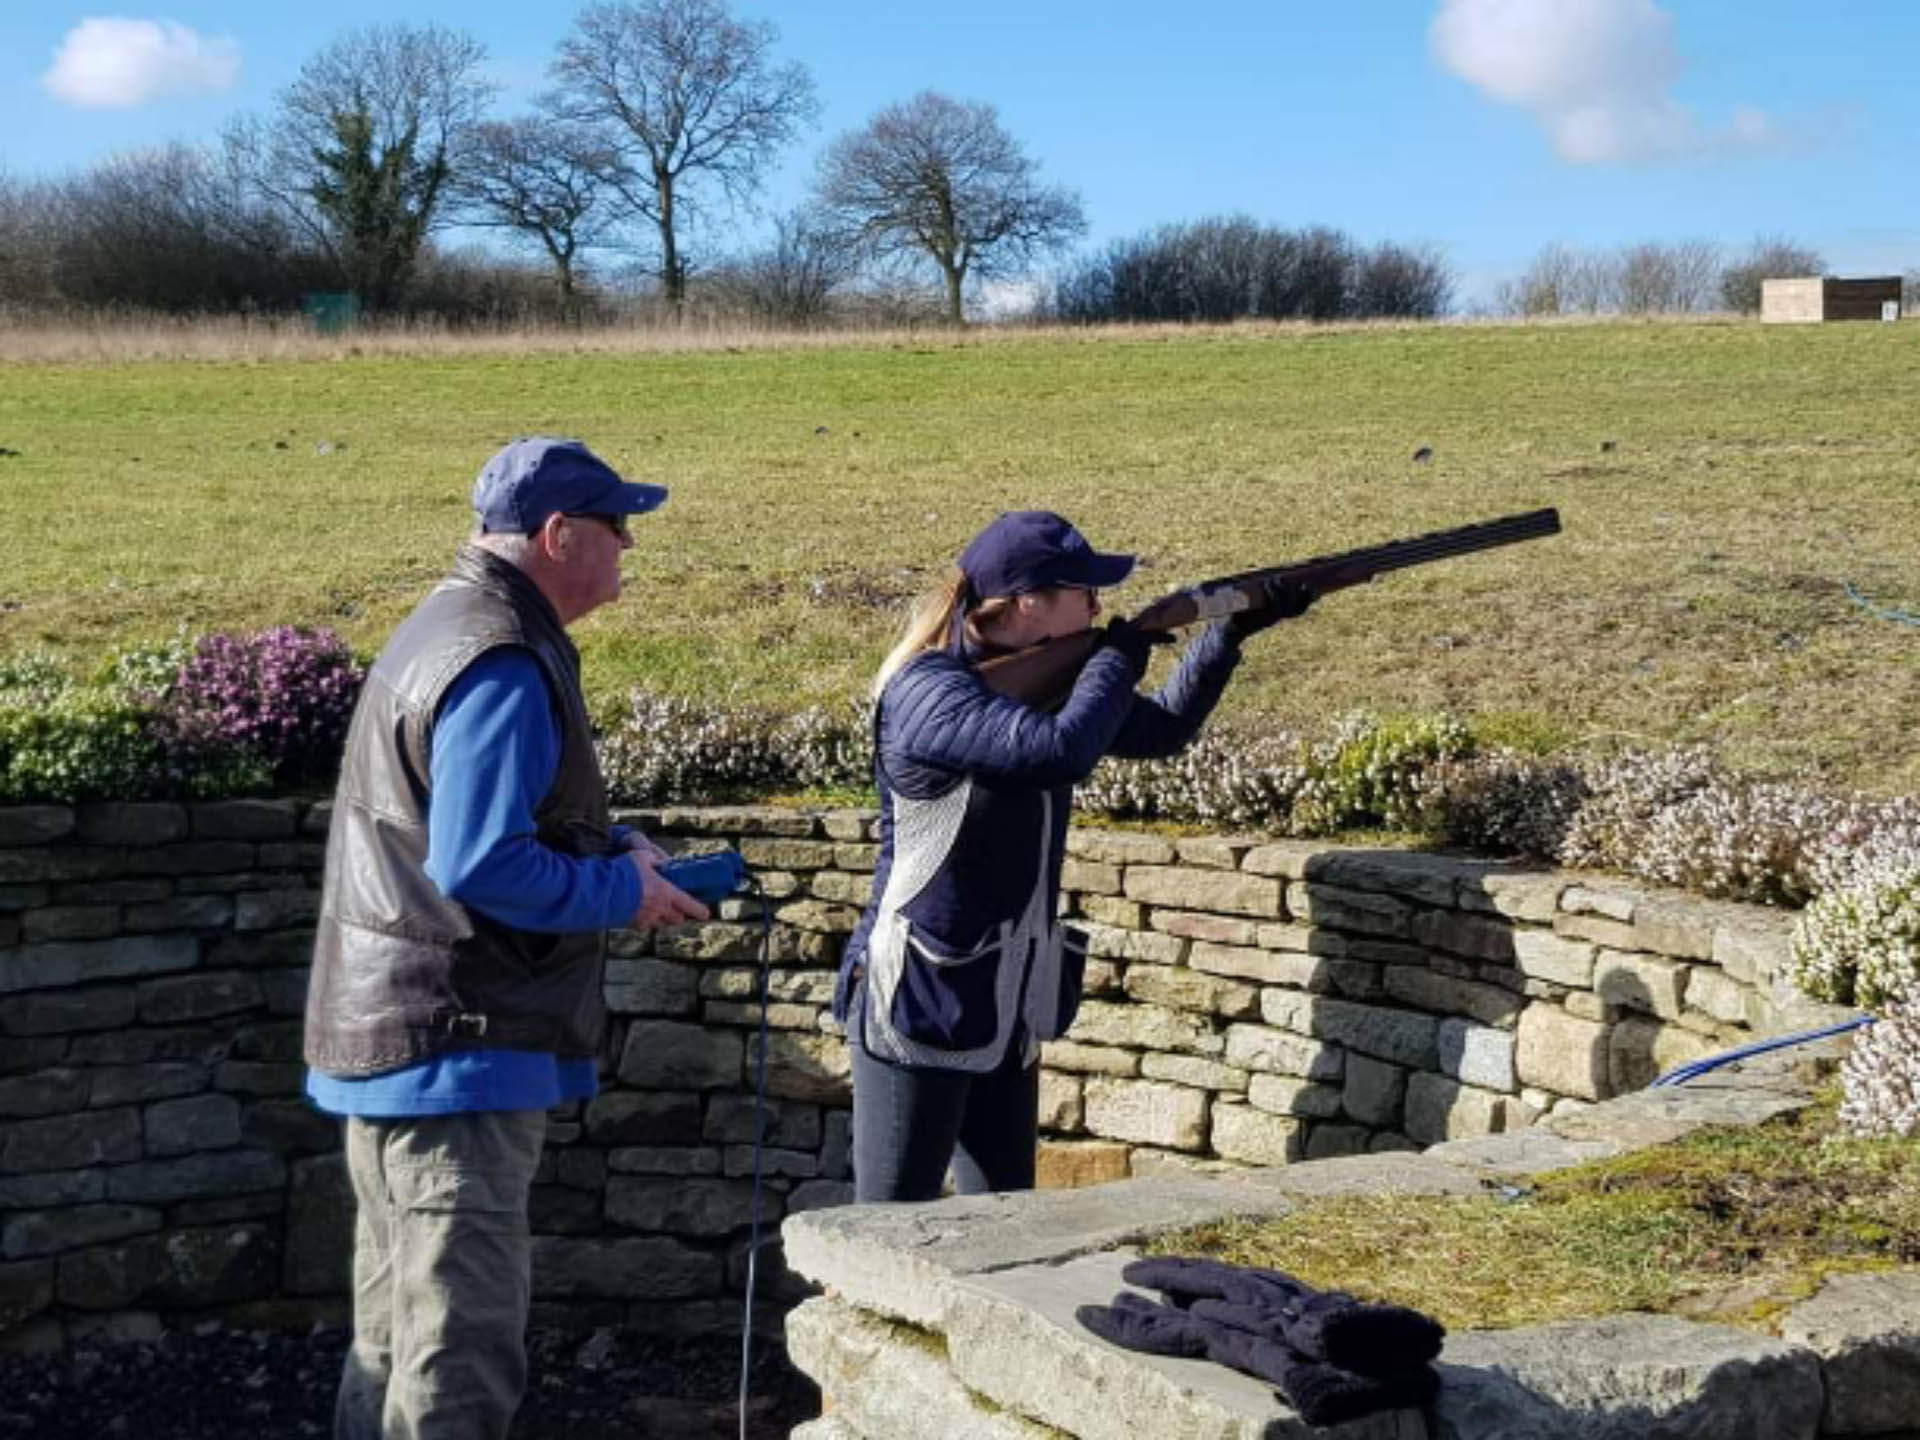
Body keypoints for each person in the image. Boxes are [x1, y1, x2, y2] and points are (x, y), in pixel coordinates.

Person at [303, 436, 709, 1440]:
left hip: (405, 1040)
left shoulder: (448, 626)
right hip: (459, 1051)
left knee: (395, 1338)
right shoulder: (500, 659)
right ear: (558, 534)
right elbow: (480, 863)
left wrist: (608, 844)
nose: (629, 548)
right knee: (458, 1356)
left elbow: (465, 820)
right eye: (620, 527)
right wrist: (623, 891)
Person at [832, 510, 1312, 1203]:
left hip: (1007, 997)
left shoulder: (1049, 681)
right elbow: (1060, 751)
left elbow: (1163, 731)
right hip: (918, 997)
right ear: (1029, 603)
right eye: (1084, 593)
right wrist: (1126, 650)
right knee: (885, 1224)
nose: (1099, 607)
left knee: (1007, 1227)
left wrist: (1228, 632)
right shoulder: (926, 691)